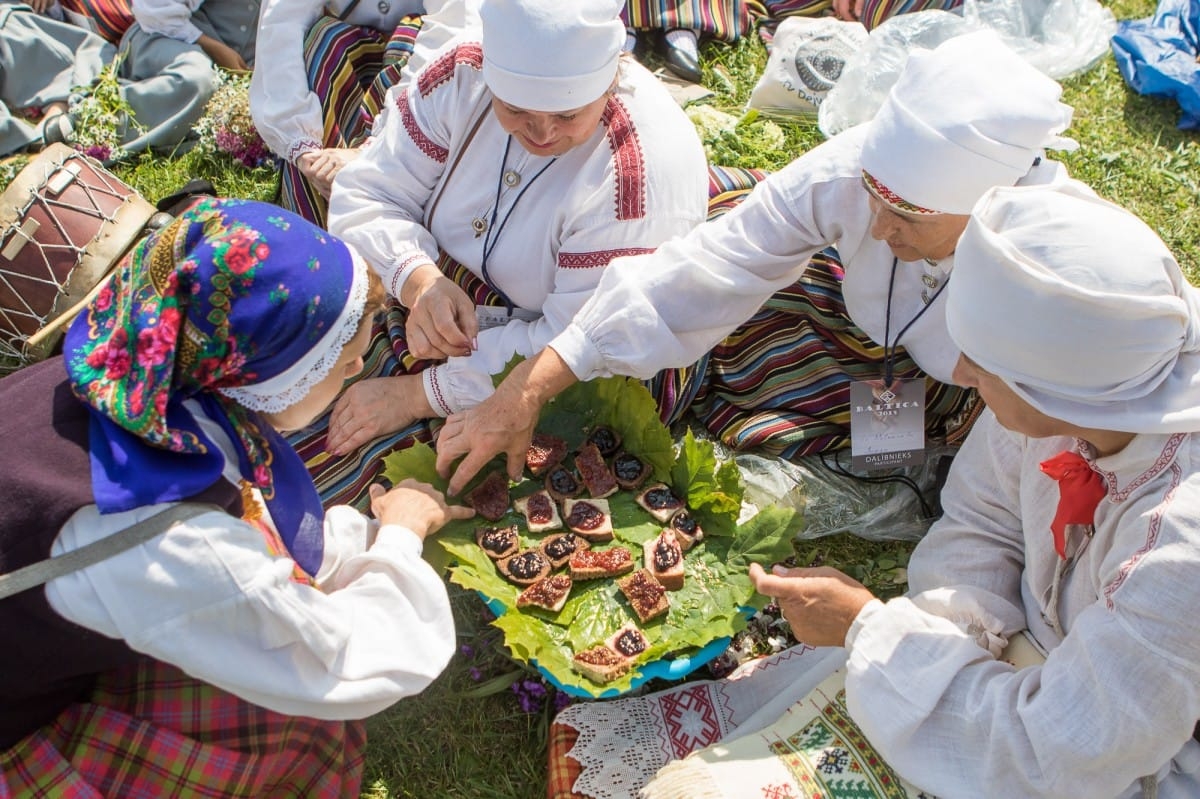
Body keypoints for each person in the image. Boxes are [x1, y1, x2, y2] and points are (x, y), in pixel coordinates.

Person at [551, 182, 1200, 799]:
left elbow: (1056, 754)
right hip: (1031, 670)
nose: (963, 373)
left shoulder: (1176, 556)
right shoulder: (1080, 395)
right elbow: (982, 519)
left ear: (1052, 387)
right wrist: (960, 636)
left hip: (1116, 757)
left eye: (983, 363)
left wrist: (870, 631)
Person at [434, 29, 1077, 494]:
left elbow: (1076, 420)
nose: (879, 229)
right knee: (717, 238)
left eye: (907, 219)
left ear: (985, 209)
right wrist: (529, 385)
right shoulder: (851, 173)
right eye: (874, 203)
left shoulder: (1048, 272)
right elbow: (715, 263)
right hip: (862, 329)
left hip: (968, 392)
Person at [0, 197, 474, 796]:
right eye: (347, 362)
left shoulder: (121, 368)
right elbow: (340, 661)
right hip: (12, 723)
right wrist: (399, 538)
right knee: (287, 727)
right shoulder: (163, 535)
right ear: (274, 370)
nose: (356, 373)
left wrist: (354, 538)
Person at [302, 0, 708, 509]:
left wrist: (416, 396)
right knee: (302, 378)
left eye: (566, 114)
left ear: (609, 82)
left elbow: (575, 345)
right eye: (515, 109)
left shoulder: (636, 177)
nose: (541, 135)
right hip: (454, 298)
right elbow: (370, 192)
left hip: (583, 354)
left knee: (445, 466)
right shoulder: (461, 73)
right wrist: (418, 279)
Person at [250, 0, 480, 227]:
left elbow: (452, 28)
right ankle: (315, 230)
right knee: (324, 39)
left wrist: (373, 148)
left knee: (410, 34)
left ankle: (389, 220)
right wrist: (303, 147)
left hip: (414, 63)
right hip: (346, 66)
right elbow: (281, 27)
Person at [0, 0, 214, 158]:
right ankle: (74, 129)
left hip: (141, 33)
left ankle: (72, 130)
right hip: (61, 45)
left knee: (197, 78)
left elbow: (161, 15)